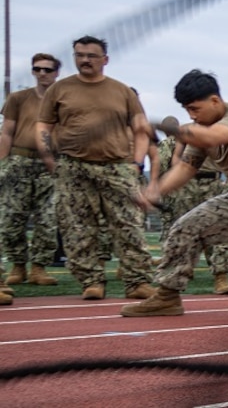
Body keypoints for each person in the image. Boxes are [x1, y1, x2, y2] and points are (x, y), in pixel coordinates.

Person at [120, 69, 228, 323]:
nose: (191, 115)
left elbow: (216, 136)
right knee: (185, 227)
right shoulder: (200, 128)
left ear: (215, 101)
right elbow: (186, 167)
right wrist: (155, 191)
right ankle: (168, 296)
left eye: (195, 108)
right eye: (187, 110)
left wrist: (157, 125)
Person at [35, 36, 155, 301]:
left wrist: (136, 163)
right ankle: (91, 281)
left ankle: (137, 281)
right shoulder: (60, 90)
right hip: (73, 166)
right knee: (78, 228)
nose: (85, 60)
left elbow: (141, 128)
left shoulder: (121, 91)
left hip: (117, 166)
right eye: (79, 55)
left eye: (91, 55)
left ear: (105, 60)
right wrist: (48, 156)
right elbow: (44, 125)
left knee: (128, 225)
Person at [156, 116, 228, 295]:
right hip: (190, 182)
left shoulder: (220, 131)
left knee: (218, 231)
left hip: (213, 182)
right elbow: (176, 159)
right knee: (183, 228)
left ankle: (221, 276)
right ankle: (176, 278)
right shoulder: (188, 130)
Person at [1, 53, 63, 292]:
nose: (42, 74)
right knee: (11, 218)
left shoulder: (63, 101)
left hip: (51, 166)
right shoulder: (18, 98)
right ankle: (18, 265)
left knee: (47, 219)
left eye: (47, 70)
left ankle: (39, 267)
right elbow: (7, 132)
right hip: (20, 160)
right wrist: (3, 163)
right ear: (33, 72)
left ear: (56, 72)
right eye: (37, 69)